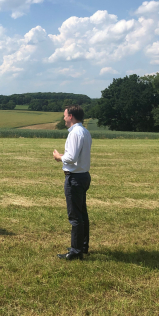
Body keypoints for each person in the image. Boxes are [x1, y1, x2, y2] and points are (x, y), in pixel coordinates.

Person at [53, 105, 92, 260]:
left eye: (65, 115)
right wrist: (66, 155)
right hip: (83, 176)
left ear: (71, 116)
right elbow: (77, 155)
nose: (63, 118)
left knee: (75, 216)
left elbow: (72, 158)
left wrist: (59, 157)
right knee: (82, 214)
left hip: (75, 178)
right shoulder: (85, 132)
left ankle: (76, 251)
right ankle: (82, 246)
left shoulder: (75, 133)